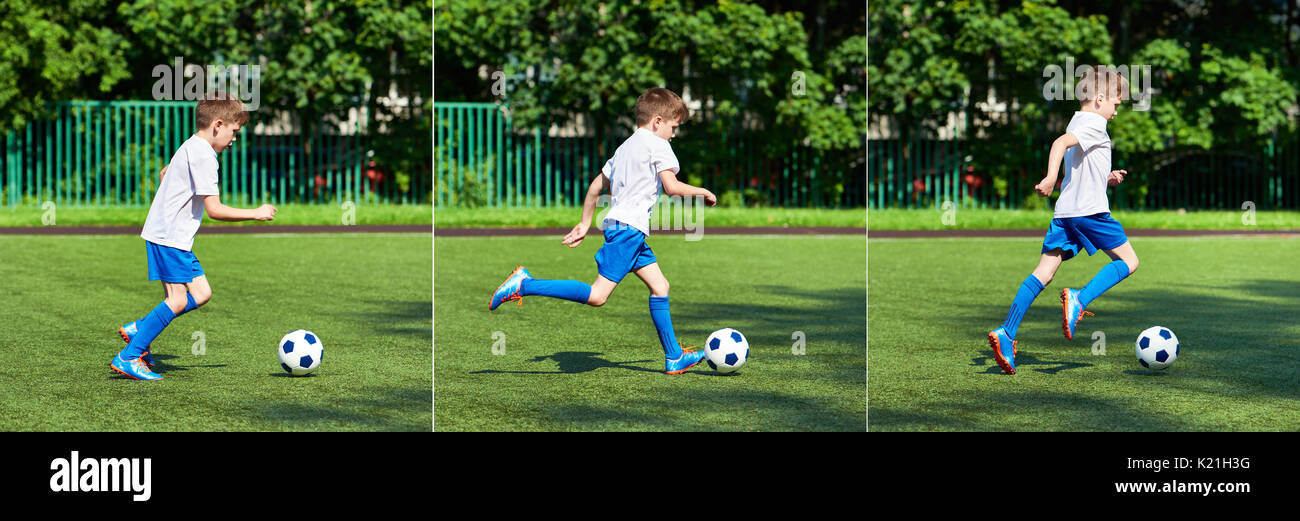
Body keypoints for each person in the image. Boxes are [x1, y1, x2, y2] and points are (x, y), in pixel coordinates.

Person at [489, 87, 717, 374]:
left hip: (622, 228)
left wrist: (585, 223)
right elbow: (671, 187)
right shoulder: (659, 146)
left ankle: (673, 357)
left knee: (660, 287)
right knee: (597, 296)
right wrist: (703, 192)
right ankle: (523, 284)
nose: (674, 134)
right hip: (629, 231)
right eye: (674, 127)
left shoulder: (623, 149)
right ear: (658, 122)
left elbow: (596, 187)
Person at [112, 93, 277, 380]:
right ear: (218, 125)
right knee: (176, 301)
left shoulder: (191, 144)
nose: (234, 139)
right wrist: (256, 212)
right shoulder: (205, 156)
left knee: (201, 294)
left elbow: (165, 174)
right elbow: (214, 210)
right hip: (170, 237)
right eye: (234, 132)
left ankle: (141, 327)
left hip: (171, 235)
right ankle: (128, 356)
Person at [989, 66, 1137, 375]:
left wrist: (1106, 178)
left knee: (1043, 272)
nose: (1116, 112)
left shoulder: (1079, 119)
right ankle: (1079, 300)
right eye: (1116, 104)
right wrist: (1050, 177)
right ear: (1099, 99)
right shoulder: (1096, 123)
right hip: (1089, 212)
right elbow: (1059, 144)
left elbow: (1081, 165)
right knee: (1129, 261)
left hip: (1066, 212)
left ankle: (1007, 332)